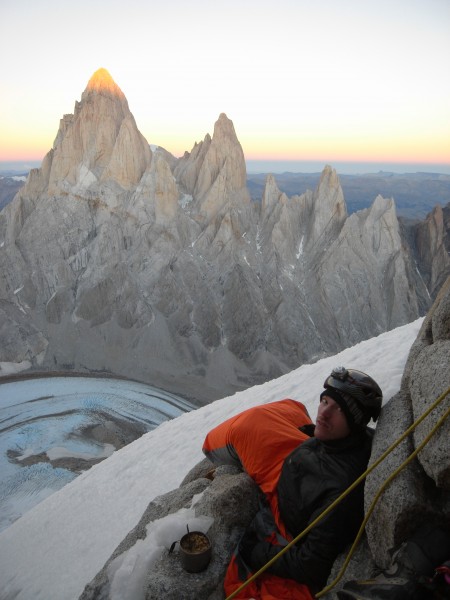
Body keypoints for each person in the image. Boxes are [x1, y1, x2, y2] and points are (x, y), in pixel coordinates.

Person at [202, 366, 383, 600]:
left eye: (338, 409)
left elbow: (310, 565)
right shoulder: (351, 439)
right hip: (300, 462)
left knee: (244, 429)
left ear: (355, 422)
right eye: (325, 401)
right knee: (291, 407)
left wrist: (256, 552)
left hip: (282, 501)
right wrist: (311, 434)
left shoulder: (340, 494)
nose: (324, 413)